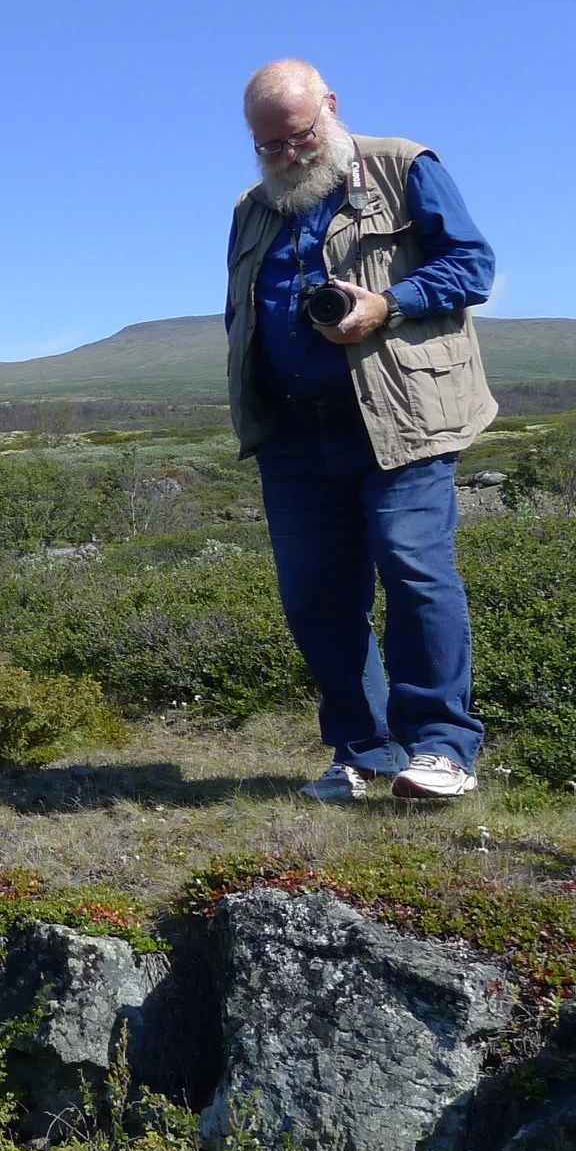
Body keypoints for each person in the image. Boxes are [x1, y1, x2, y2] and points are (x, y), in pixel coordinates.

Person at [223, 59, 497, 801]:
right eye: (269, 144)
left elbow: (472, 266)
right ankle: (364, 752)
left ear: (331, 106)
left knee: (414, 569)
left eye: (299, 135)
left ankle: (441, 749)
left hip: (402, 417)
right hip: (292, 433)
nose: (288, 155)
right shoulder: (252, 207)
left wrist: (387, 304)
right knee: (315, 596)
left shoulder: (405, 165)